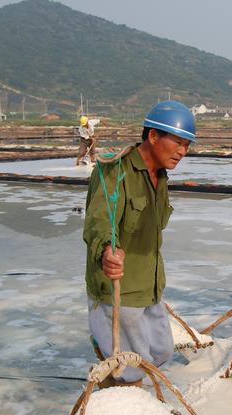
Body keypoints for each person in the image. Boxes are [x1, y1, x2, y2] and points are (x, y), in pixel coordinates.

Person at [82, 100, 196, 387]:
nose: (182, 152)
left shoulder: (161, 176)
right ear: (153, 136)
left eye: (187, 145)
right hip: (119, 289)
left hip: (150, 283)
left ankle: (110, 357)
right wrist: (107, 251)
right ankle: (118, 408)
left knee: (161, 350)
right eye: (178, 143)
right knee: (129, 370)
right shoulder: (113, 171)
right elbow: (98, 223)